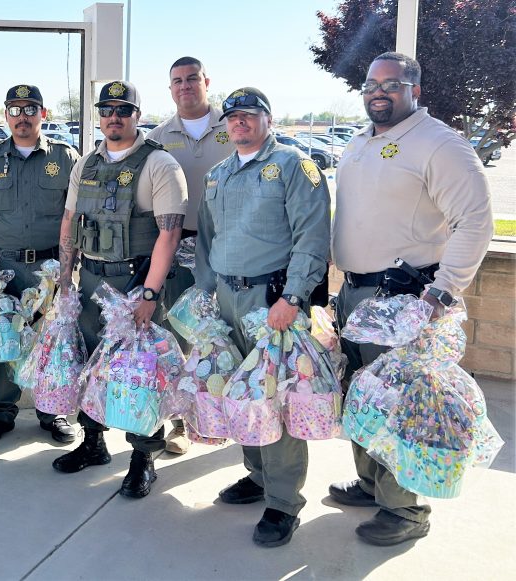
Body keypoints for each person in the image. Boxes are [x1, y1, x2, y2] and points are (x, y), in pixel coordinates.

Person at [328, 52, 493, 546]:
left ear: (414, 90)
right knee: (363, 396)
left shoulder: (439, 144)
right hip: (355, 293)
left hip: (405, 300)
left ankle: (404, 512)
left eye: (392, 84)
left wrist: (440, 294)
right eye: (370, 84)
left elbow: (475, 220)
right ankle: (370, 484)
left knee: (403, 405)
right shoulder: (359, 143)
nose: (378, 91)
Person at [195, 87, 331, 547]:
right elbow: (207, 241)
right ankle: (256, 476)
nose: (239, 123)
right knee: (240, 394)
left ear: (267, 119)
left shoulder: (294, 166)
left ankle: (283, 502)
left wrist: (293, 297)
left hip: (273, 301)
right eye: (232, 117)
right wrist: (206, 295)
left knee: (277, 399)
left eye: (249, 116)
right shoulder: (219, 174)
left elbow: (312, 236)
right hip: (228, 300)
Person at [54, 81, 187, 499]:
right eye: (107, 109)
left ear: (137, 116)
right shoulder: (86, 163)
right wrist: (64, 276)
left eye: (123, 110)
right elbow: (71, 218)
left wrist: (149, 295)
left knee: (139, 374)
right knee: (90, 363)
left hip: (135, 284)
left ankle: (143, 458)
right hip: (92, 281)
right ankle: (92, 443)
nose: (114, 116)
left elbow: (169, 234)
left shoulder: (159, 164)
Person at [0, 84, 80, 444]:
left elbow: (75, 217)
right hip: (5, 270)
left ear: (43, 114)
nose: (22, 117)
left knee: (52, 341)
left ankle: (52, 411)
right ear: (6, 115)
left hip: (50, 268)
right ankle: (0, 412)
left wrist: (67, 270)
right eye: (15, 110)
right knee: (5, 340)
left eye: (30, 109)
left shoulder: (65, 157)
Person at [146, 56, 235, 455]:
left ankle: (234, 414)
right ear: (170, 89)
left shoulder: (233, 125)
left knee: (232, 335)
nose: (185, 86)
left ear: (206, 81)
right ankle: (183, 422)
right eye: (177, 81)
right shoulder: (160, 136)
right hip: (181, 246)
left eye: (192, 79)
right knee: (181, 335)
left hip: (232, 248)